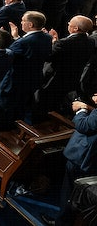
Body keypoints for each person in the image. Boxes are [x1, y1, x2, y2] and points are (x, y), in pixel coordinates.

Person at [52, 91, 97, 226]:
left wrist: (80, 110)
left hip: (83, 159)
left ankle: (62, 222)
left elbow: (85, 125)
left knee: (70, 195)